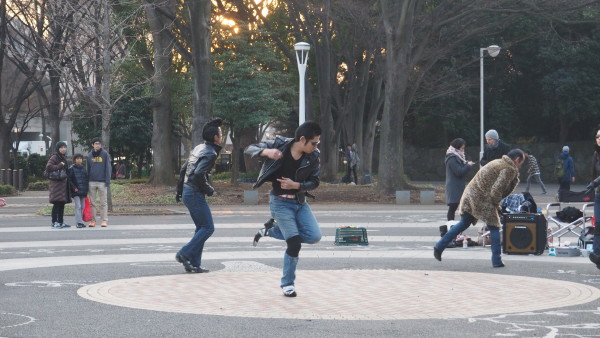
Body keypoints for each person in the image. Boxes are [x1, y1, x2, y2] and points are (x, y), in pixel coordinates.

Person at [245, 121, 322, 297]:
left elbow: (315, 182)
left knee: (314, 236)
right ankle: (287, 284)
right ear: (302, 139)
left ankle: (269, 231)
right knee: (294, 243)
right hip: (279, 203)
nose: (316, 146)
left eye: (317, 143)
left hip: (300, 202)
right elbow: (249, 149)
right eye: (314, 142)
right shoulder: (279, 144)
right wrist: (266, 151)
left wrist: (297, 185)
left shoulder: (314, 156)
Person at [434, 149, 526, 268]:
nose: (521, 166)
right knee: (494, 227)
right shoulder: (508, 169)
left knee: (464, 223)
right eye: (521, 162)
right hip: (482, 198)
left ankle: (439, 246)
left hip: (471, 195)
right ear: (517, 160)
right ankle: (497, 260)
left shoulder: (498, 162)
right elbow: (496, 190)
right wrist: (497, 205)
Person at [175, 117, 224, 274]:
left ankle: (194, 263)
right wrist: (209, 189)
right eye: (220, 133)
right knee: (208, 227)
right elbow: (198, 174)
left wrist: (179, 190)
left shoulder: (199, 148)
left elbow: (184, 169)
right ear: (215, 137)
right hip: (194, 192)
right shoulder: (210, 153)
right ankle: (184, 253)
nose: (221, 135)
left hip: (188, 191)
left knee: (201, 228)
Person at [444, 138, 475, 222]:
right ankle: (451, 227)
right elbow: (459, 172)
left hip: (457, 186)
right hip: (454, 187)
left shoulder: (456, 157)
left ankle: (453, 227)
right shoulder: (452, 158)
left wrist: (466, 164)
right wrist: (468, 165)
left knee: (456, 207)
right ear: (457, 148)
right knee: (453, 207)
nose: (463, 150)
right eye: (462, 148)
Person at [86, 137, 112, 227]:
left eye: (99, 143)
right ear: (92, 145)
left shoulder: (105, 154)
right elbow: (87, 169)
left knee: (103, 202)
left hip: (102, 182)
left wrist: (107, 181)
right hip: (91, 182)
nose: (98, 145)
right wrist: (87, 182)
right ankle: (93, 221)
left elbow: (108, 168)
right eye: (96, 143)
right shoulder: (89, 155)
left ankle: (104, 220)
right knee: (92, 203)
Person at [46, 141, 72, 229]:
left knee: (62, 204)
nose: (63, 149)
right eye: (61, 147)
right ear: (58, 148)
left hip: (62, 184)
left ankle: (60, 222)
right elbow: (49, 167)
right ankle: (54, 222)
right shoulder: (55, 157)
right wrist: (60, 165)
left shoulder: (62, 157)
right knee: (56, 204)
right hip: (56, 184)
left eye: (64, 147)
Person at [585, 128, 600, 270]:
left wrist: (595, 182)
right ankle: (597, 256)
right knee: (598, 226)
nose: (599, 138)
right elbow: (594, 174)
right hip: (599, 195)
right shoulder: (596, 154)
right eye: (597, 136)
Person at [68, 153, 89, 228]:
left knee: (82, 206)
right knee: (78, 206)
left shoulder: (84, 168)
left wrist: (86, 190)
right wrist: (74, 188)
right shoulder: (71, 168)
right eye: (77, 158)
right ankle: (78, 222)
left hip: (83, 191)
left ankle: (80, 221)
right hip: (75, 191)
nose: (79, 160)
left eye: (80, 158)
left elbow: (86, 179)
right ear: (74, 160)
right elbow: (69, 180)